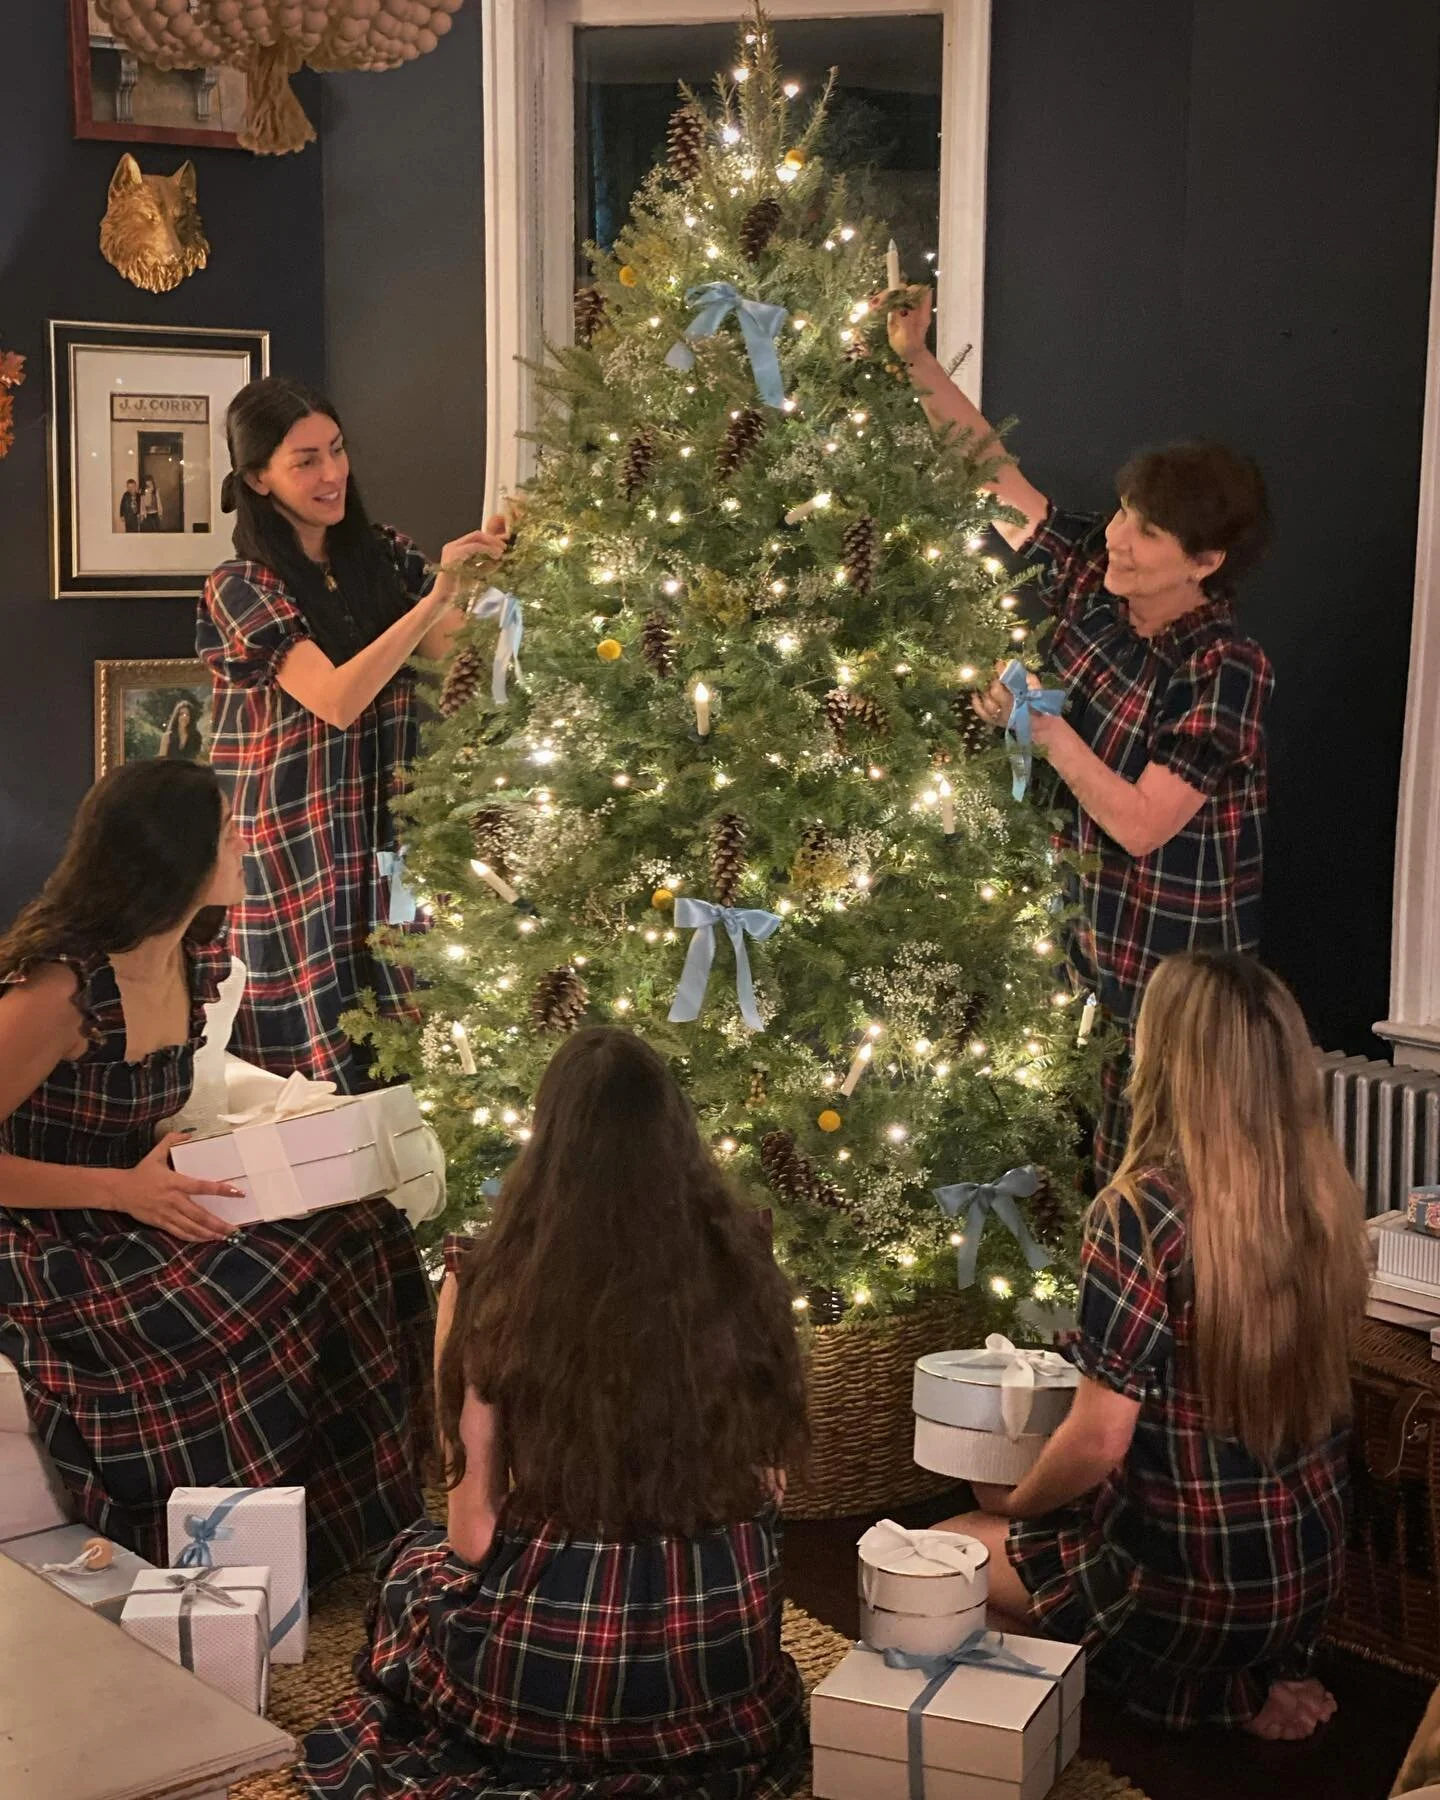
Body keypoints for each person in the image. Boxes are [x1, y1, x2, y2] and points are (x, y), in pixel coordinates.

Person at [301, 1028, 810, 1800]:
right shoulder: (744, 1256)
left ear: (550, 1143)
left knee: (410, 1566)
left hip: (549, 1685)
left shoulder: (485, 1280)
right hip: (718, 1676)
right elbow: (772, 1490)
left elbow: (473, 1538)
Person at [0, 759, 434, 1576]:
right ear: (173, 851)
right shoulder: (61, 988)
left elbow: (146, 1129)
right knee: (287, 1264)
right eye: (227, 830)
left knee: (361, 1225)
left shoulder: (188, 965)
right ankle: (216, 1541)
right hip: (40, 1239)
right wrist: (121, 1190)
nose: (245, 842)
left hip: (130, 1208)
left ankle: (364, 1527)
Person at [889, 288, 1274, 1184]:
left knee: (1168, 1186)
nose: (1118, 539)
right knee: (1085, 1175)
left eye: (1147, 532)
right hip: (1083, 953)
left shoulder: (1226, 667)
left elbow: (1143, 823)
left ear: (1206, 562)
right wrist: (913, 355)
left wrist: (1047, 730)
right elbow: (988, 470)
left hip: (1175, 989)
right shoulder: (1092, 589)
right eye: (1122, 513)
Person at [938, 952, 1368, 1739]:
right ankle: (1261, 1672)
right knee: (1073, 1526)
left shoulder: (1142, 1209)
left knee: (943, 1550)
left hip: (1192, 1590)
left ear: (1170, 1061)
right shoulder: (1326, 1197)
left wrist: (1016, 1502)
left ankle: (1194, 1690)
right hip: (1308, 1581)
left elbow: (1102, 1440)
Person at [198, 375, 508, 1091]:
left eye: (336, 450)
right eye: (305, 460)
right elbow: (335, 699)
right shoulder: (241, 586)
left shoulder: (384, 556)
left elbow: (460, 662)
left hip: (386, 836)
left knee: (400, 1025)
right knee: (302, 1060)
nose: (332, 473)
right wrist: (435, 597)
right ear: (258, 477)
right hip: (292, 849)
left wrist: (490, 580)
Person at [157, 696, 205, 761]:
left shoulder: (196, 737)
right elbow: (161, 762)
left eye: (187, 714)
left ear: (191, 718)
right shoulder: (167, 737)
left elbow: (197, 759)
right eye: (181, 714)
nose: (184, 717)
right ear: (177, 716)